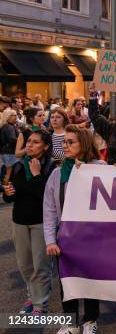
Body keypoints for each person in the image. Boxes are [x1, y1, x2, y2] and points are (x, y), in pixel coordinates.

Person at [43, 125, 105, 334]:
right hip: (66, 236)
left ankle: (90, 320)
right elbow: (49, 211)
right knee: (67, 282)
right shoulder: (57, 173)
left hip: (93, 236)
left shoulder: (100, 167)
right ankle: (70, 323)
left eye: (71, 142)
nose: (65, 146)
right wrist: (50, 240)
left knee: (90, 279)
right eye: (63, 142)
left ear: (84, 144)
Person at [3, 130, 55, 314]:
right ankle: (31, 297)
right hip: (20, 221)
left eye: (35, 142)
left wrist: (36, 175)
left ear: (46, 146)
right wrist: (8, 193)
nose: (29, 145)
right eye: (28, 142)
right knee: (25, 266)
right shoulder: (18, 166)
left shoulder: (51, 167)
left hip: (41, 222)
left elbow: (46, 198)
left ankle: (40, 305)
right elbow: (14, 196)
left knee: (41, 265)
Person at [1, 108, 19, 184]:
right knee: (9, 172)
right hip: (9, 152)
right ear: (8, 116)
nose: (16, 117)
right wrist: (21, 140)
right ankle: (7, 190)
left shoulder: (4, 126)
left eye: (16, 115)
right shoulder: (9, 127)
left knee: (6, 172)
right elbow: (12, 140)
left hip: (5, 151)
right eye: (13, 115)